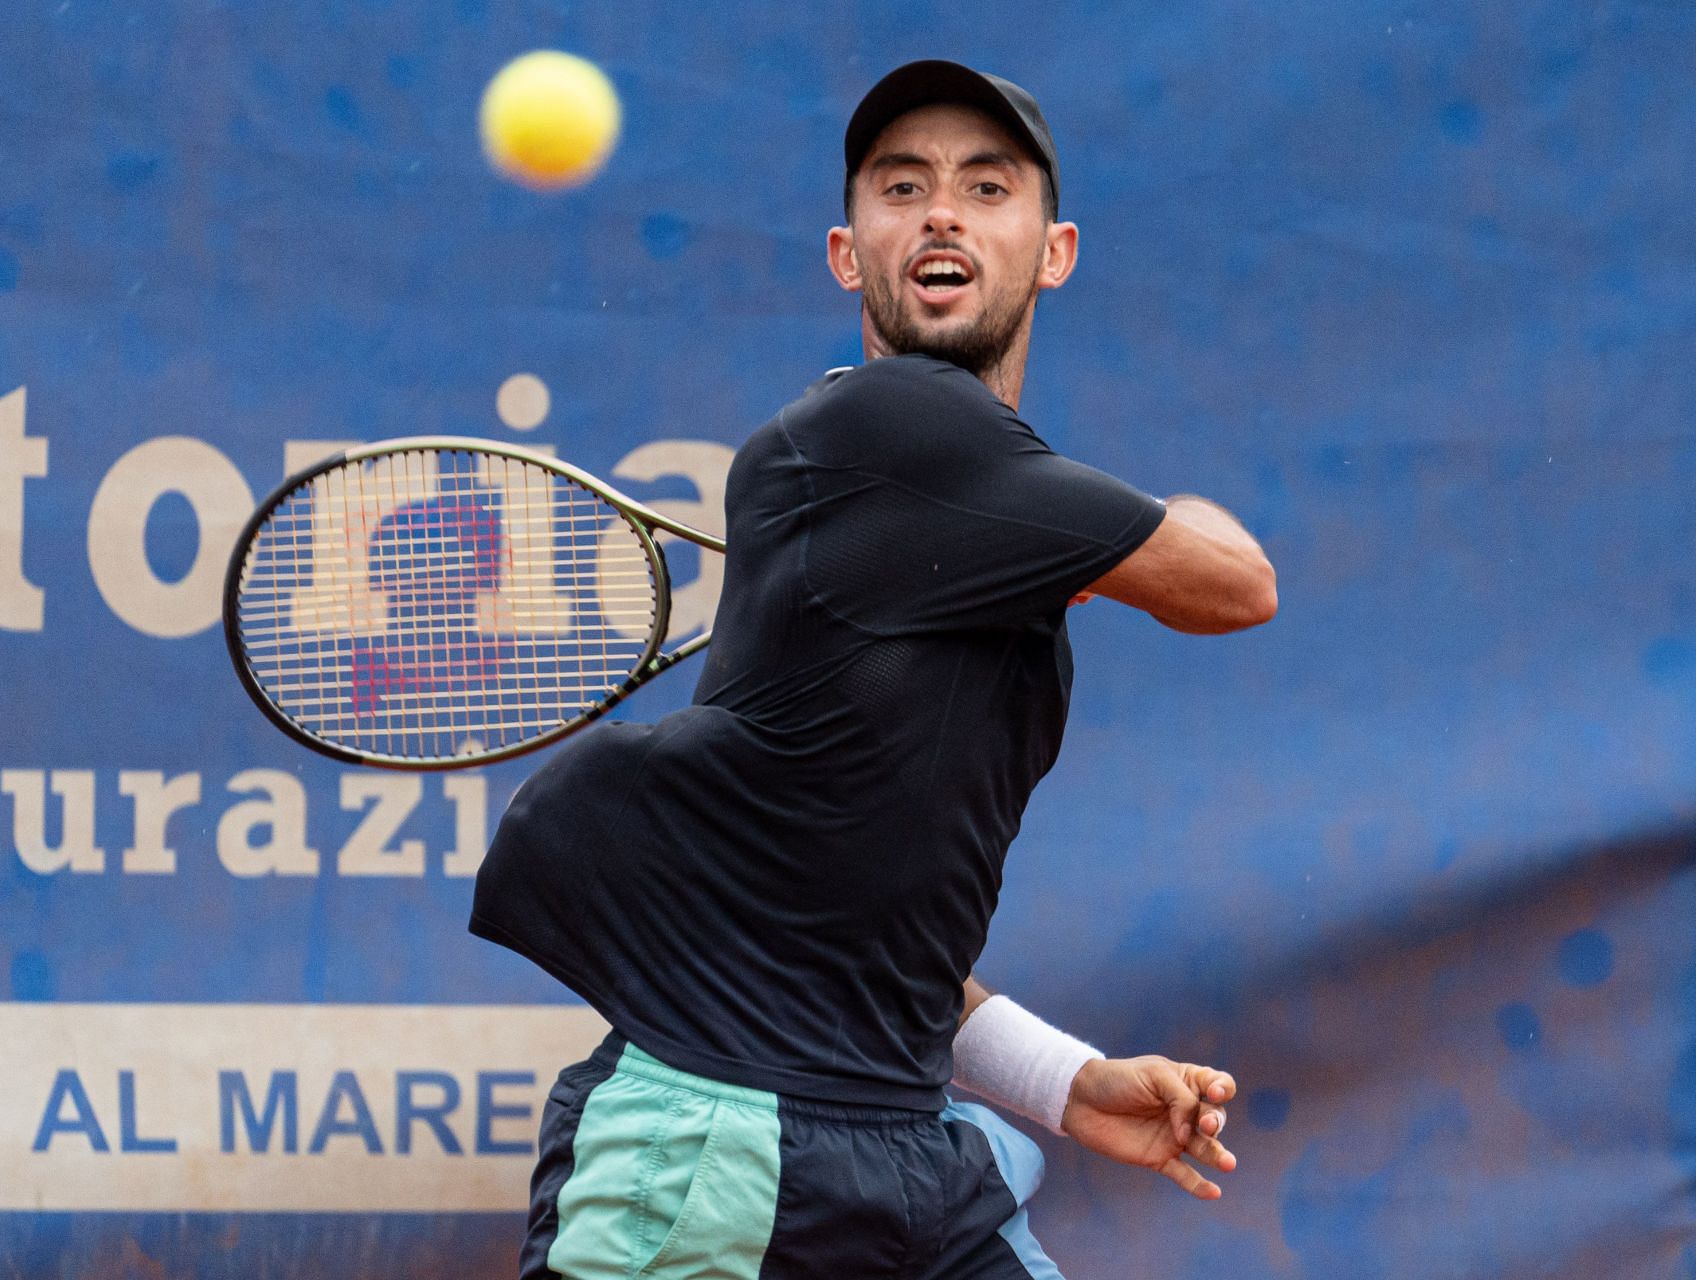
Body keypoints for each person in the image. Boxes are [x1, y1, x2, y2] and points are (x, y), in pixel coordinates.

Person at [470, 59, 1278, 1279]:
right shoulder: (890, 427)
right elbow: (1234, 584)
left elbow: (844, 927)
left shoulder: (923, 517)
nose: (941, 213)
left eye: (984, 187)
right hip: (710, 1154)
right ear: (849, 255)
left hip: (909, 1148)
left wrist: (1064, 1079)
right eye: (903, 188)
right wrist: (1186, 513)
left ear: (1054, 250)